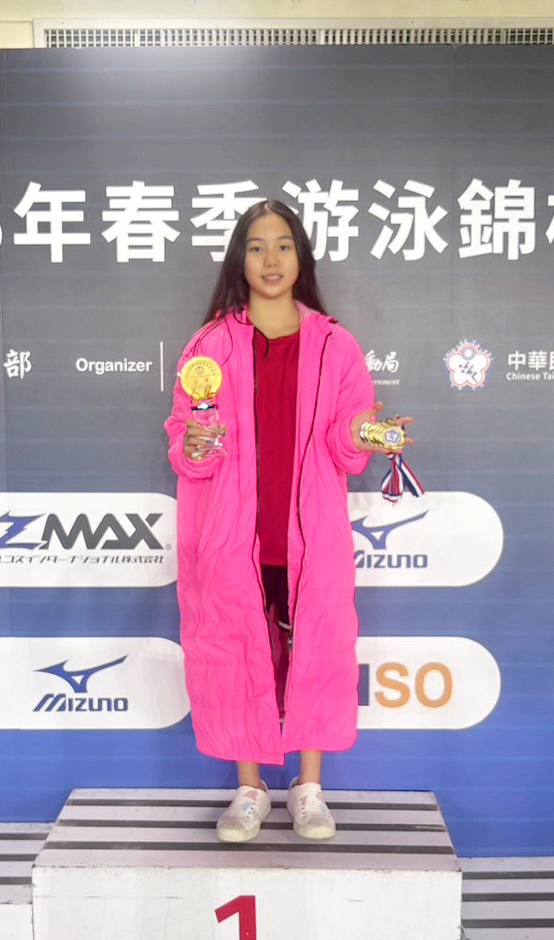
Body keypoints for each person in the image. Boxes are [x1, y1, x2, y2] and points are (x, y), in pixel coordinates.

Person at [164, 200, 413, 842]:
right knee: (236, 653)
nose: (270, 260)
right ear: (239, 259)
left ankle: (308, 788)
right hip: (232, 537)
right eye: (256, 247)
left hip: (310, 536)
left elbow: (345, 441)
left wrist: (367, 433)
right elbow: (187, 445)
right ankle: (250, 790)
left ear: (301, 257)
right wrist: (194, 444)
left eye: (283, 245)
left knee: (316, 654)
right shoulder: (210, 347)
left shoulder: (335, 345)